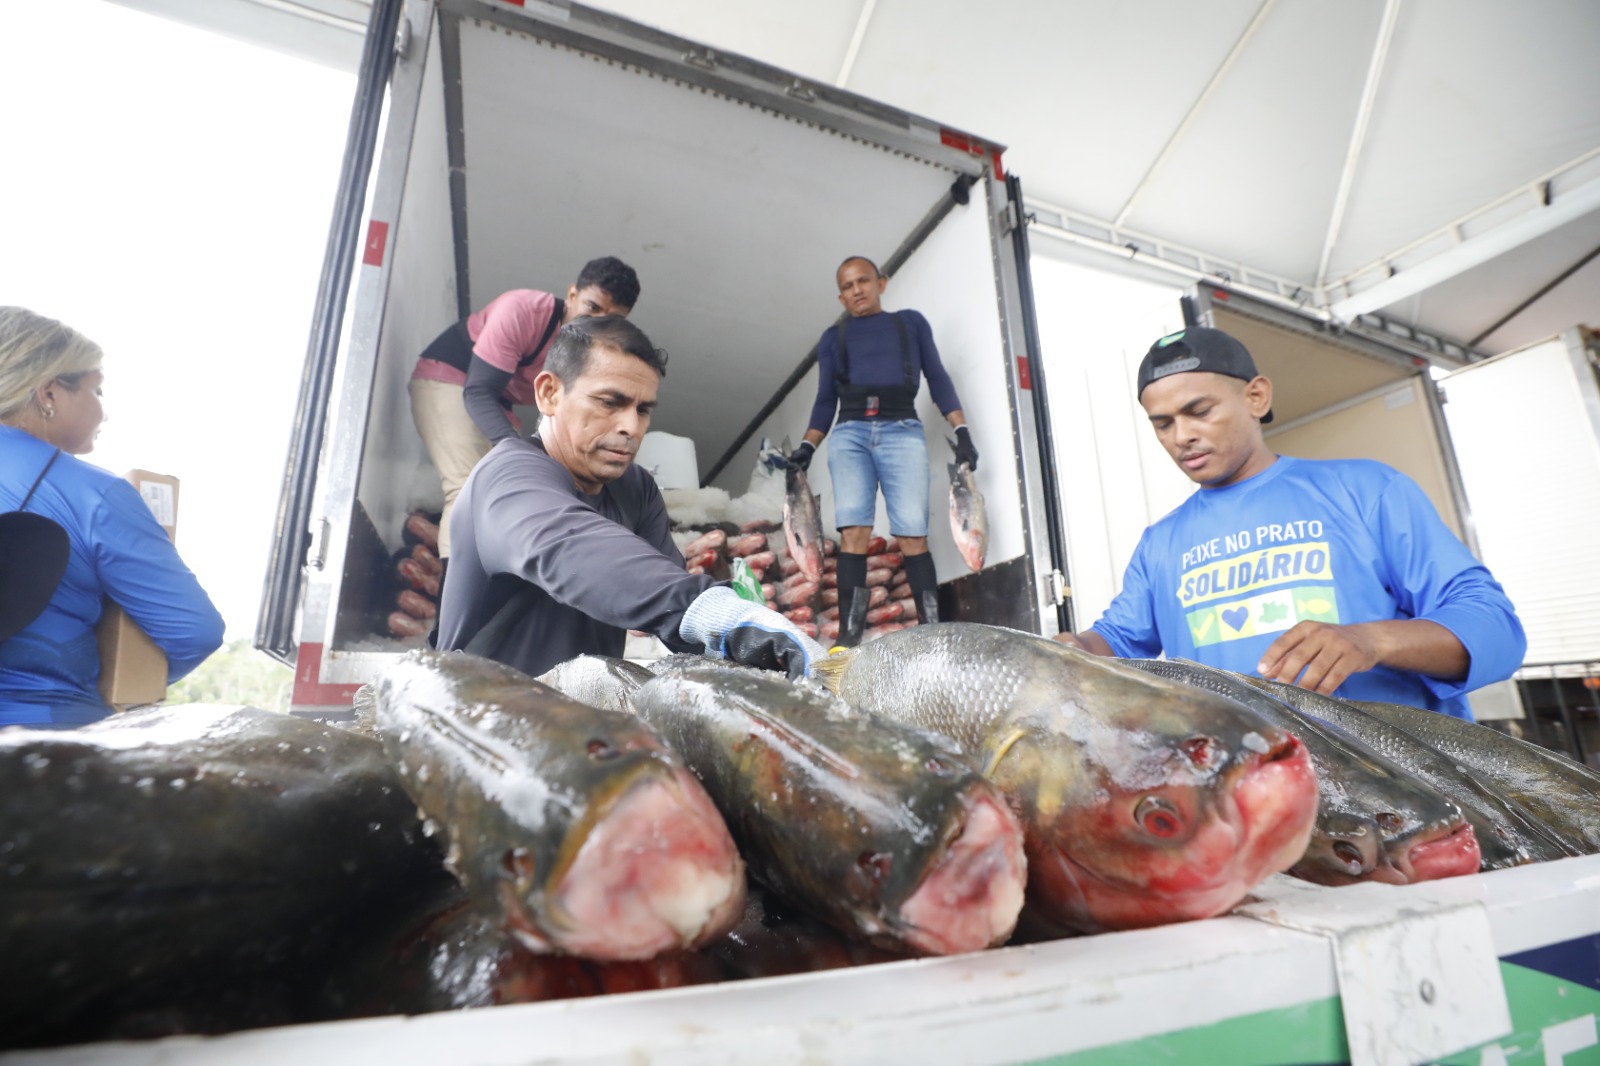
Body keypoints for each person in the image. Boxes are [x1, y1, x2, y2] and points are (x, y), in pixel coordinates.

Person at [1052, 326, 1525, 721]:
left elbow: (1496, 630)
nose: (1183, 436)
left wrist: (1370, 640)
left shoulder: (1365, 489)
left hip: (1392, 801)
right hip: (1251, 801)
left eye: (1200, 411)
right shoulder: (1161, 543)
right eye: (1163, 424)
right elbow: (1114, 641)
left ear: (1256, 396)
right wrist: (1068, 651)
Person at [437, 315, 822, 680]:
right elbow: (574, 548)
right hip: (476, 727)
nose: (631, 427)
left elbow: (670, 612)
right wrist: (713, 611)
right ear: (549, 393)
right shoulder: (506, 476)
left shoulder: (633, 488)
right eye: (610, 402)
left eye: (643, 410)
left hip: (580, 726)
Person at [0, 307, 225, 727]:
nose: (105, 411)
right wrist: (123, 676)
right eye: (96, 390)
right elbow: (195, 631)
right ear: (49, 393)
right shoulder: (94, 494)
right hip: (41, 747)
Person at [787, 255, 978, 646]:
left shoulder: (909, 324)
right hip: (849, 435)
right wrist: (807, 447)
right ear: (840, 297)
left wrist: (962, 431)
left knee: (912, 533)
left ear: (881, 283)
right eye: (847, 286)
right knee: (854, 532)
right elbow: (825, 401)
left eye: (863, 281)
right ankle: (848, 637)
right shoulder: (832, 338)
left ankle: (932, 632)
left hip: (902, 431)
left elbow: (937, 377)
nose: (856, 289)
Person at [408, 256, 641, 560]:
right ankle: (450, 602)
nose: (596, 323)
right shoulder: (523, 310)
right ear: (572, 295)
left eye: (611, 319)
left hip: (498, 403)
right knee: (466, 488)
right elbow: (478, 390)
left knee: (511, 494)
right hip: (451, 379)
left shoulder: (593, 356)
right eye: (592, 308)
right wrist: (516, 450)